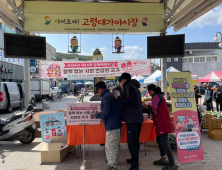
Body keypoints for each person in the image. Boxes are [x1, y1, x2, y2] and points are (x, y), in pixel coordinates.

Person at [114, 73, 143, 170]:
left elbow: (128, 101)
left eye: (120, 81)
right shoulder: (135, 86)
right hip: (136, 118)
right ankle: (134, 159)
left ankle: (135, 165)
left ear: (122, 80)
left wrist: (118, 98)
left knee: (132, 142)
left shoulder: (129, 87)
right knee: (135, 141)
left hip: (132, 119)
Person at [91, 81, 122, 170]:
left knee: (111, 147)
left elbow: (105, 113)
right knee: (114, 146)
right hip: (116, 124)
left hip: (112, 126)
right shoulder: (110, 95)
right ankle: (113, 162)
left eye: (97, 90)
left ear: (100, 89)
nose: (97, 92)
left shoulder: (106, 97)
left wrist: (96, 115)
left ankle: (112, 166)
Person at [146, 84, 177, 170]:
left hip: (162, 123)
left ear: (152, 90)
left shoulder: (156, 96)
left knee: (164, 143)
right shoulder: (159, 96)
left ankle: (172, 164)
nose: (149, 93)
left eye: (149, 91)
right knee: (160, 141)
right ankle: (163, 159)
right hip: (161, 122)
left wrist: (148, 107)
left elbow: (154, 108)